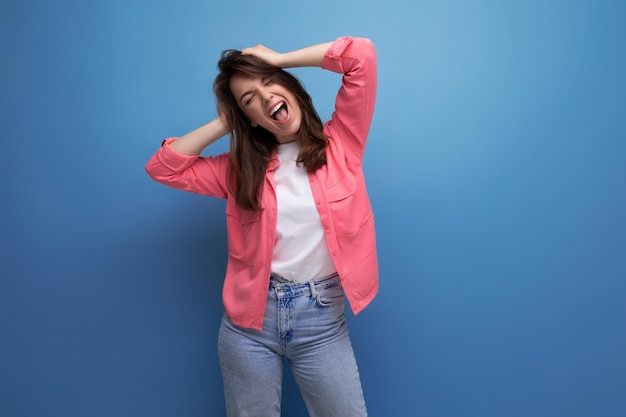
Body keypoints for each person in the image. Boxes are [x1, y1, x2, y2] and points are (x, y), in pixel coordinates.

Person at [145, 36, 378, 417]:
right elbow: (162, 167)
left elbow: (360, 56)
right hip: (249, 327)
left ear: (288, 85)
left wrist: (280, 58)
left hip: (321, 322)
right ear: (249, 119)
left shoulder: (343, 144)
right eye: (248, 99)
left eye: (269, 81)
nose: (264, 96)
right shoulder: (238, 172)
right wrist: (227, 120)